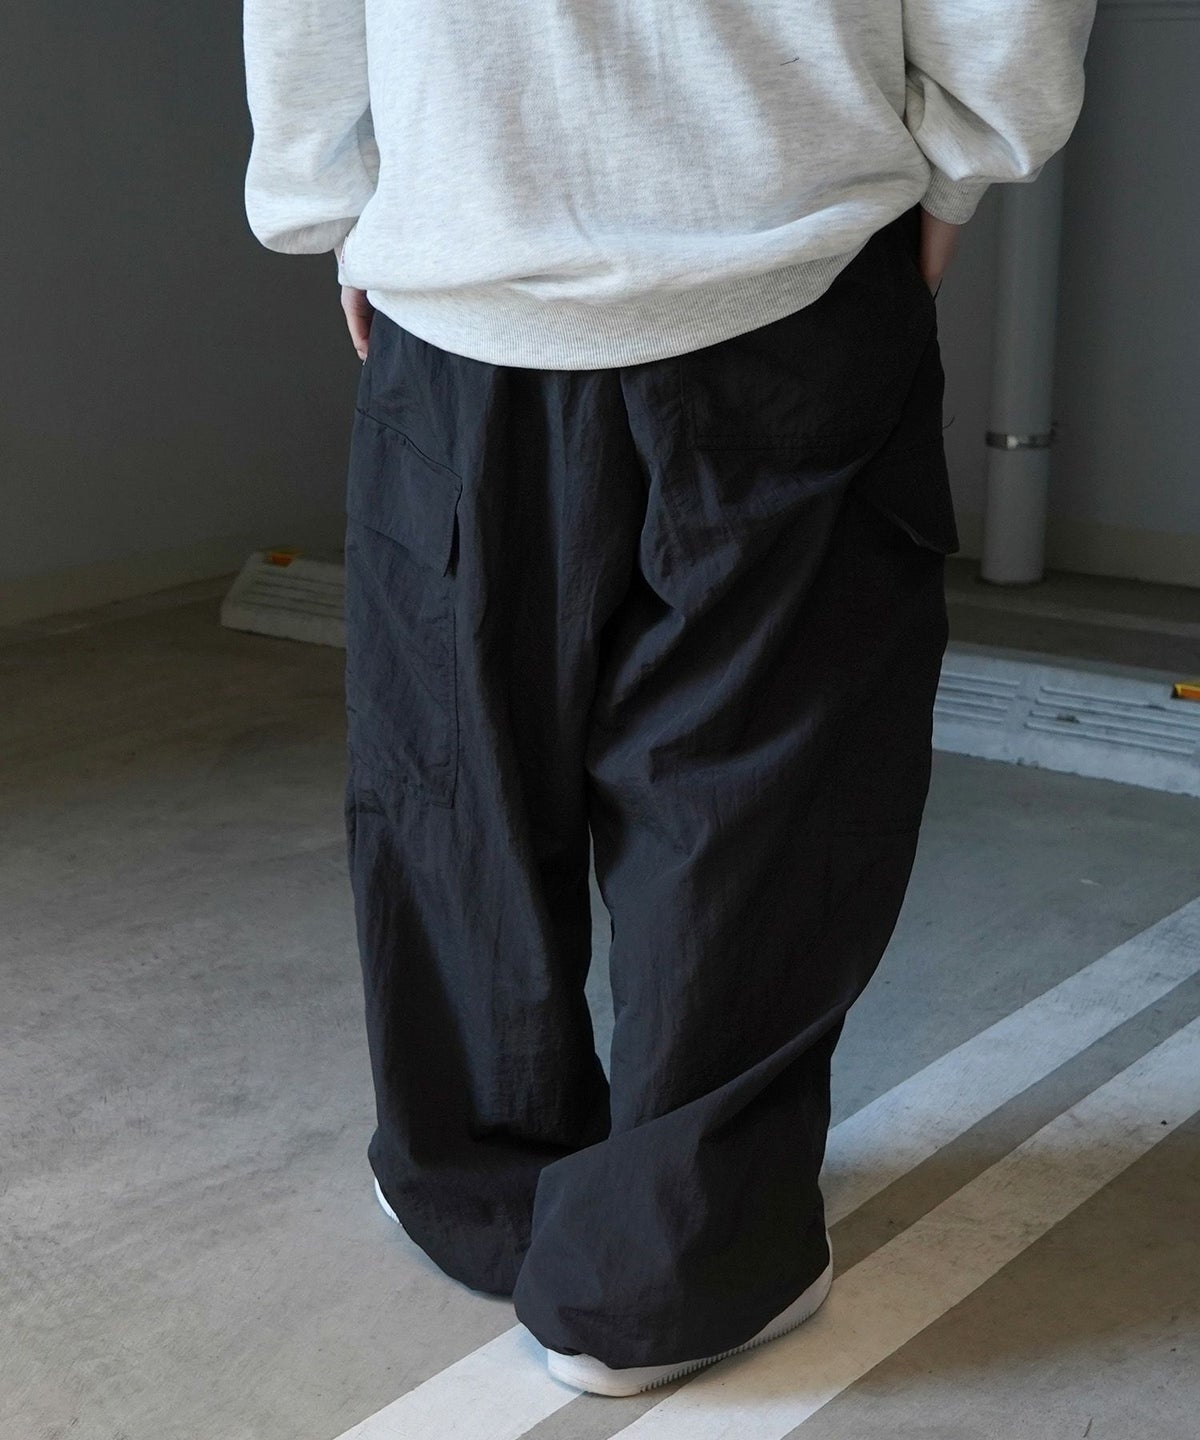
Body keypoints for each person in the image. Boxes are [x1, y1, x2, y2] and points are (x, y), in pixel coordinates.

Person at [243, 0, 1098, 1398]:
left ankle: (482, 1187)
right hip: (789, 243)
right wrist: (960, 157)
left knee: (456, 764)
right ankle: (675, 1266)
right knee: (756, 790)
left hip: (466, 248)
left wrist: (331, 198)